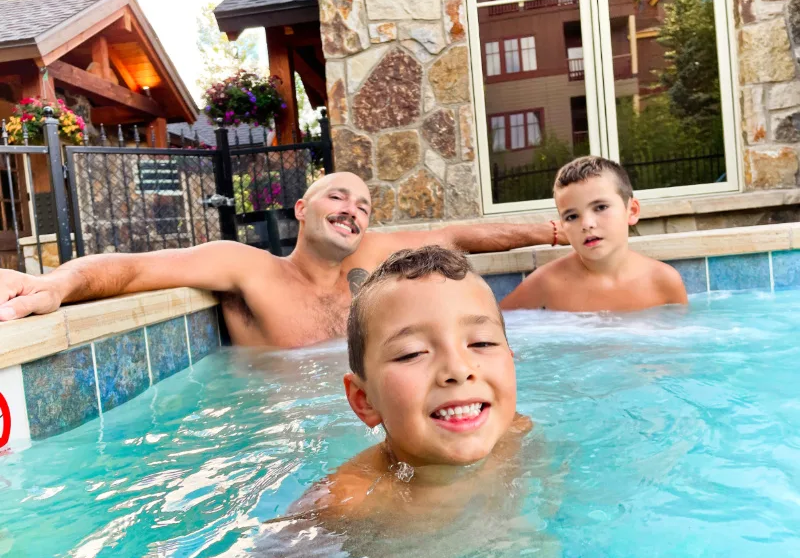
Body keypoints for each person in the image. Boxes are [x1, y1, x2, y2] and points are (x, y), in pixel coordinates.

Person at [0, 172, 566, 348]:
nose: (353, 211)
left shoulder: (374, 257)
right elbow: (134, 267)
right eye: (338, 197)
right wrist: (55, 284)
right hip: (278, 442)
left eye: (364, 206)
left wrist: (550, 230)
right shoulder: (248, 269)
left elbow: (458, 236)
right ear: (301, 209)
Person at [281, 247, 560, 558]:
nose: (458, 369)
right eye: (411, 353)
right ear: (364, 400)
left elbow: (549, 492)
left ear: (511, 363)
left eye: (481, 343)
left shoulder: (518, 435)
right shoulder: (345, 503)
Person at [501, 156, 687, 312]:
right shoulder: (547, 283)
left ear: (632, 211)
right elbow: (492, 326)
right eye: (572, 216)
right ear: (563, 225)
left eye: (600, 207)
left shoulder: (663, 281)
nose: (587, 224)